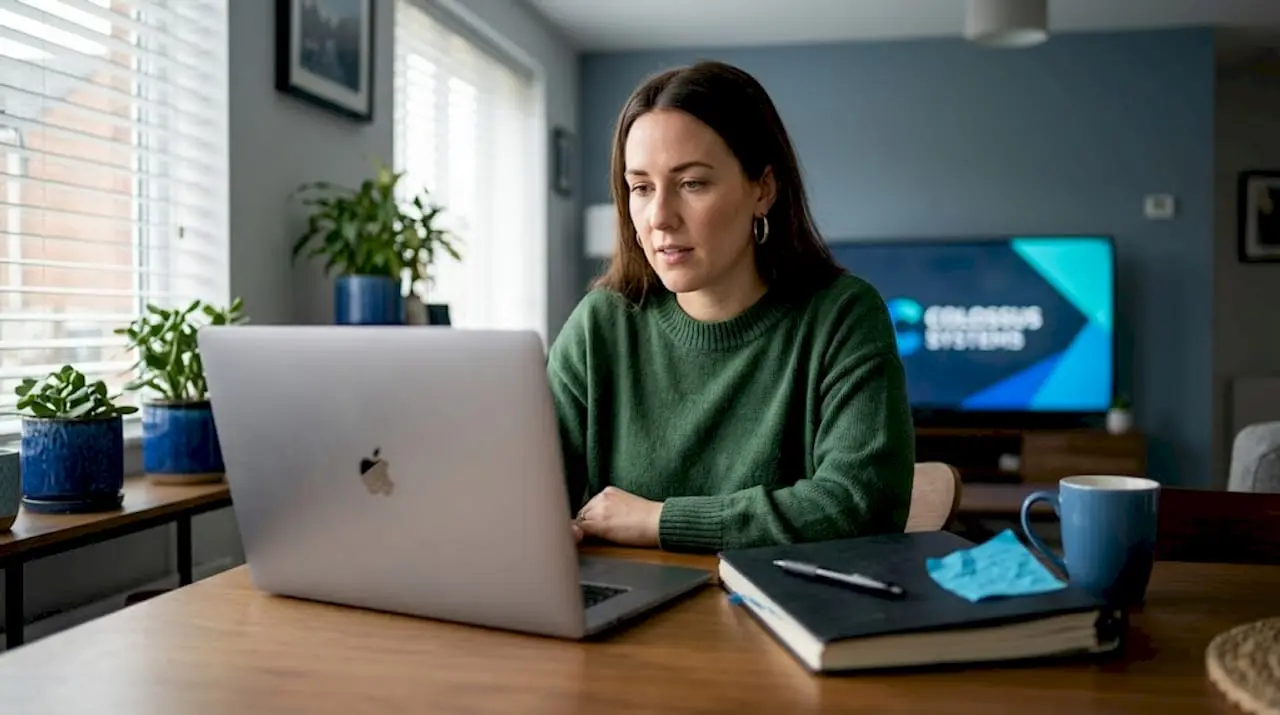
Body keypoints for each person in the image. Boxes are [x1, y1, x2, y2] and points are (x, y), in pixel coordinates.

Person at [547, 60, 914, 554]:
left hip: (781, 618)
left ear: (762, 188)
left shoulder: (842, 316)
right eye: (641, 187)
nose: (659, 218)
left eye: (692, 183)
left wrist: (662, 520)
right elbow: (532, 492)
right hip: (619, 614)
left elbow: (860, 502)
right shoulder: (601, 322)